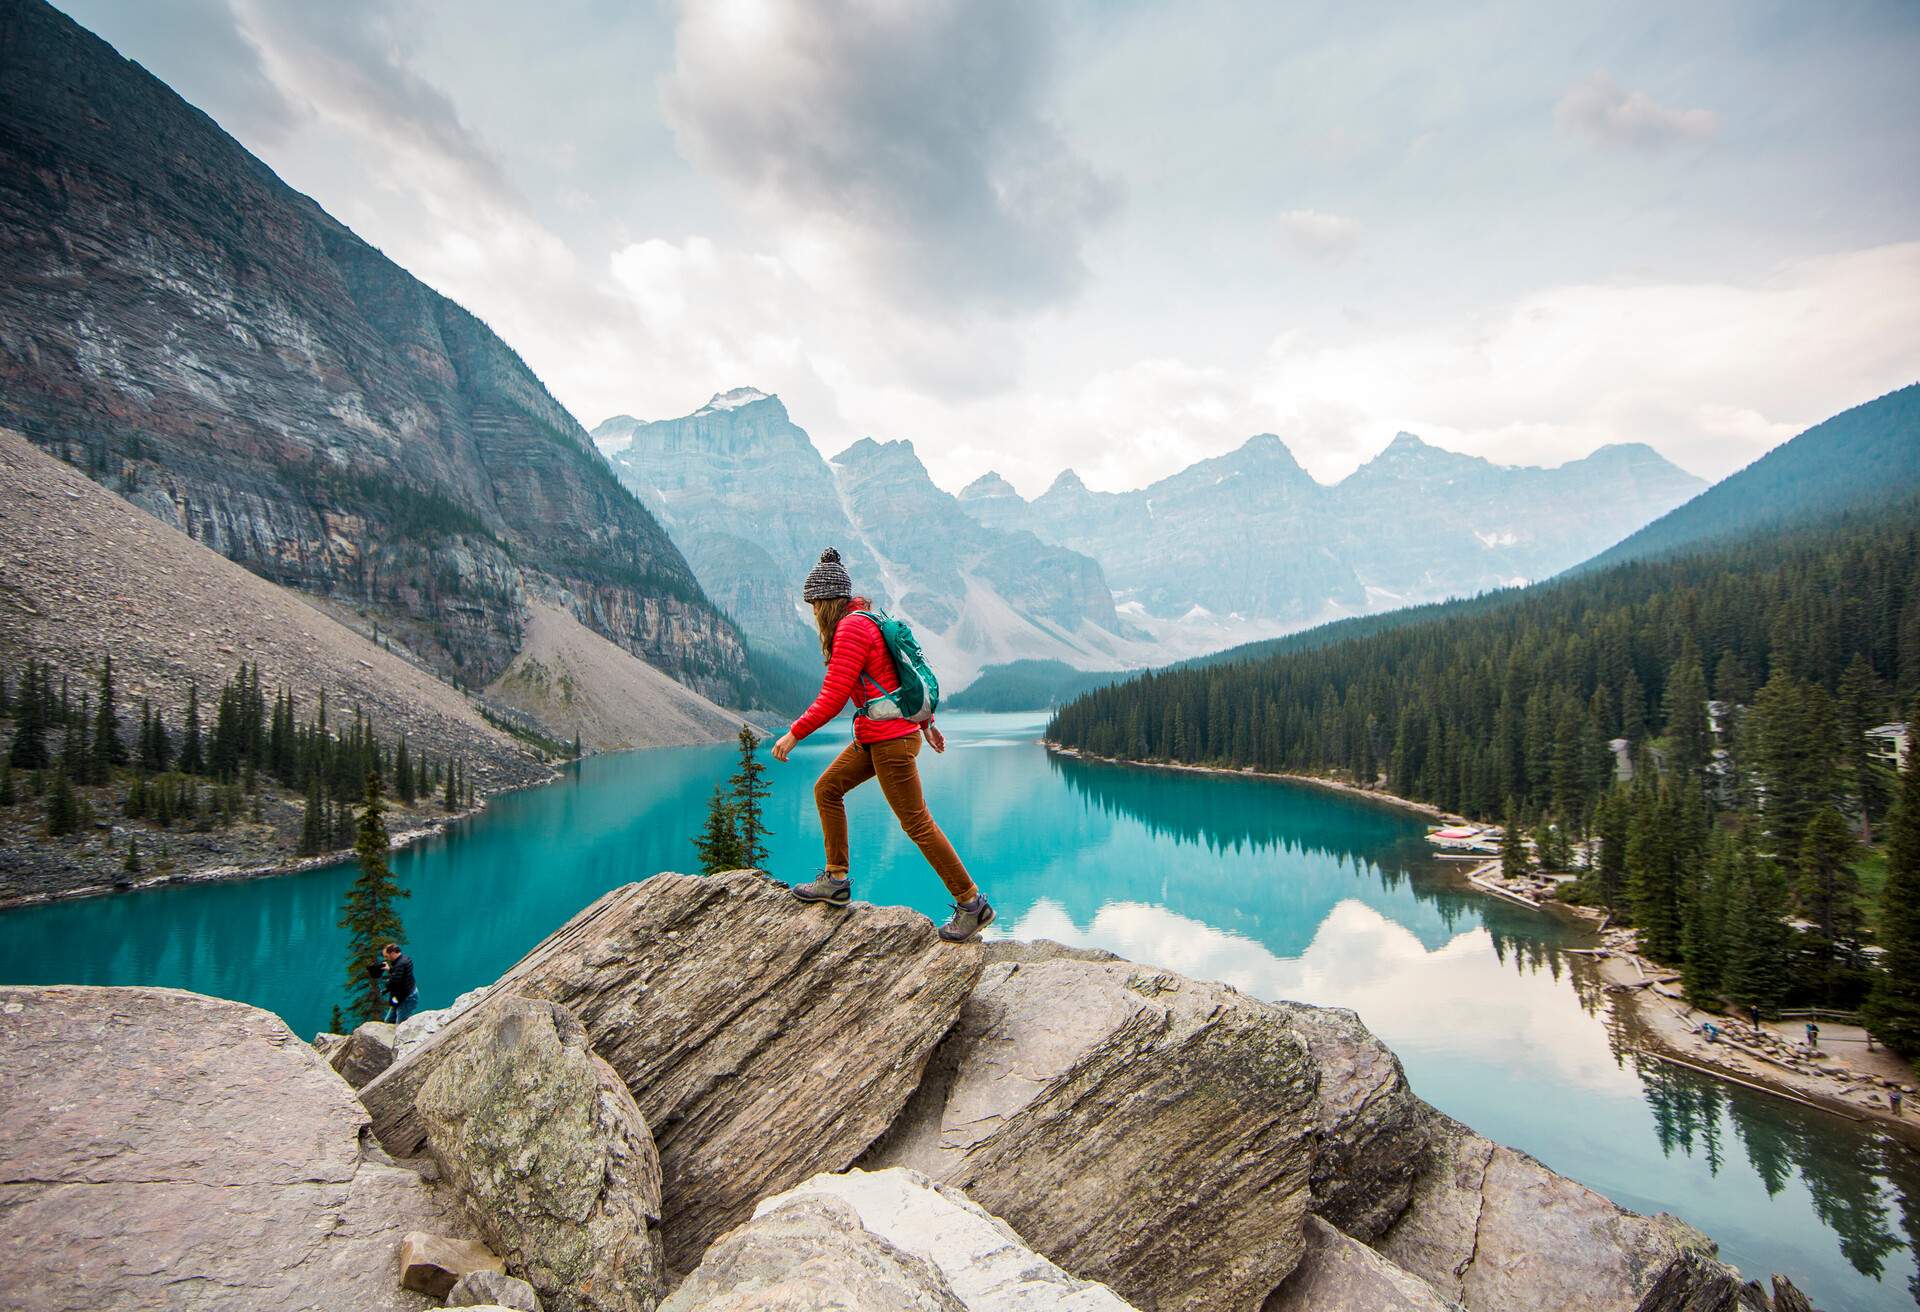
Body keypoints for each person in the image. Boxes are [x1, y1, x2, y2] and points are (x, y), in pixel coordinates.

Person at [773, 548, 993, 943]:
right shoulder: (869, 619)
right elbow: (897, 678)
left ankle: (972, 904)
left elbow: (834, 695)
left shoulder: (852, 629)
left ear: (825, 602)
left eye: (813, 605)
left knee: (917, 823)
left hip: (890, 742)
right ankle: (836, 880)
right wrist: (925, 723)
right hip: (879, 737)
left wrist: (794, 733)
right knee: (827, 789)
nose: (812, 613)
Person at [381, 943, 418, 1023]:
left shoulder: (400, 964)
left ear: (393, 953)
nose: (386, 959)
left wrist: (387, 983)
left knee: (401, 1024)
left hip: (406, 998)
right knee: (389, 1020)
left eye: (386, 956)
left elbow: (394, 981)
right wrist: (390, 970)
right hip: (402, 995)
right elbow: (401, 974)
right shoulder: (405, 959)